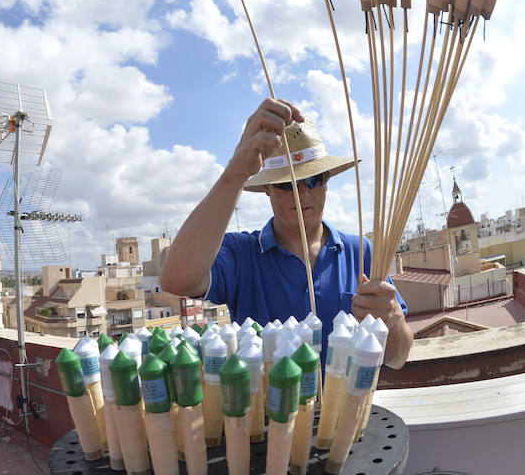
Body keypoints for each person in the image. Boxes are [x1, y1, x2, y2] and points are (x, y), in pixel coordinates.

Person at [160, 98, 414, 369]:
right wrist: (237, 170)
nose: (302, 193)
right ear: (268, 188)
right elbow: (177, 279)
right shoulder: (241, 254)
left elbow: (397, 359)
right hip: (268, 413)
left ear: (327, 181)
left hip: (349, 411)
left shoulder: (360, 252)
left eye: (313, 180)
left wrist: (394, 322)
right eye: (286, 184)